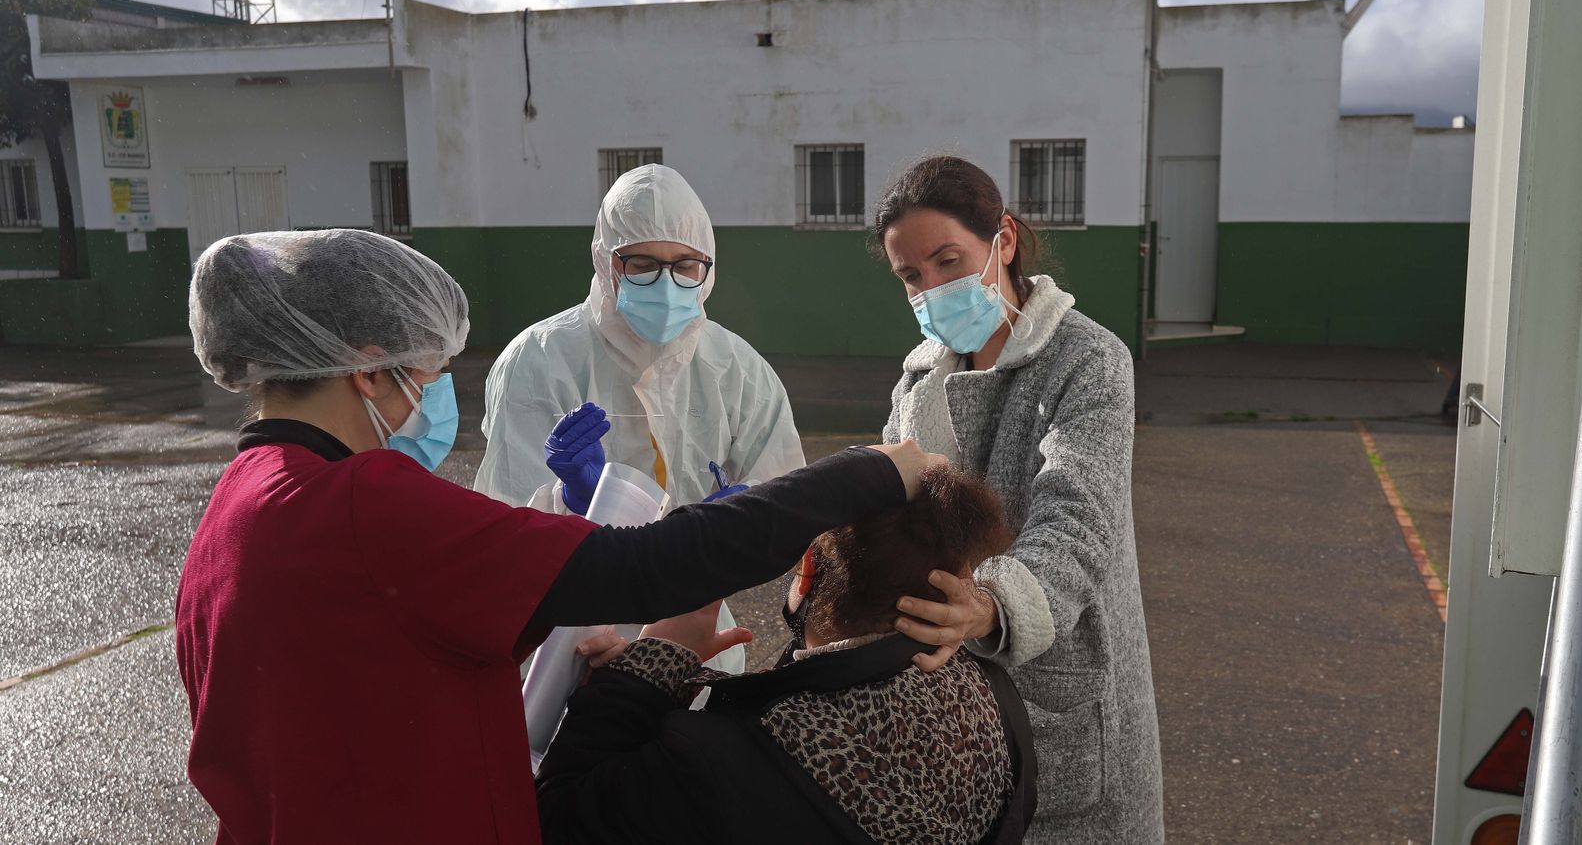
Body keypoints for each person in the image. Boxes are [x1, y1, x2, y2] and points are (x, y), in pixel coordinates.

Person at [175, 228, 941, 845]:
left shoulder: (239, 505)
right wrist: (865, 473)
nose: (436, 397)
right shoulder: (361, 503)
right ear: (372, 371)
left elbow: (371, 668)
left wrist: (578, 663)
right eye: (431, 373)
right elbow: (650, 565)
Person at [871, 156, 1163, 843]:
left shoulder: (1088, 359)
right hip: (951, 715)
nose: (933, 288)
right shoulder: (916, 385)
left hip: (1062, 703)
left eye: (949, 260)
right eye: (912, 276)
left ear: (1002, 239)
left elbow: (1077, 518)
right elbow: (881, 505)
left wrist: (992, 603)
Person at [536, 466, 1037, 845]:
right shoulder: (994, 695)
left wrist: (646, 670)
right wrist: (692, 690)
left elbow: (557, 818)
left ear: (807, 568)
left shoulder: (715, 762)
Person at [476, 163, 803, 673]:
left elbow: (786, 499)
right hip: (572, 633)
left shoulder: (737, 369)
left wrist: (740, 523)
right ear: (606, 262)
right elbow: (504, 523)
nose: (666, 283)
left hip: (694, 635)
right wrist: (573, 503)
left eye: (685, 265)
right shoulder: (541, 360)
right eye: (642, 264)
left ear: (708, 269)